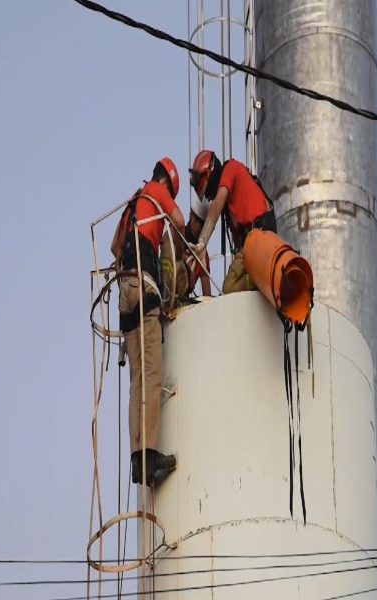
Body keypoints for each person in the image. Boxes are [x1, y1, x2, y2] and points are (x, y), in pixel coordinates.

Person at [111, 157, 184, 485]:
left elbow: (114, 247)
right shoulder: (158, 192)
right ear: (167, 182)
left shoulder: (133, 203)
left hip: (125, 292)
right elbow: (181, 222)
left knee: (137, 380)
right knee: (153, 374)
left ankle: (137, 461)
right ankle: (151, 457)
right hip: (144, 286)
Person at [188, 150, 276, 294]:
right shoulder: (230, 209)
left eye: (208, 193)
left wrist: (202, 242)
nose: (209, 198)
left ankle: (262, 276)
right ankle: (260, 276)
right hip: (252, 243)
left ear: (209, 173)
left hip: (260, 236)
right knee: (231, 289)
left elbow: (216, 205)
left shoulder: (231, 169)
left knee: (229, 289)